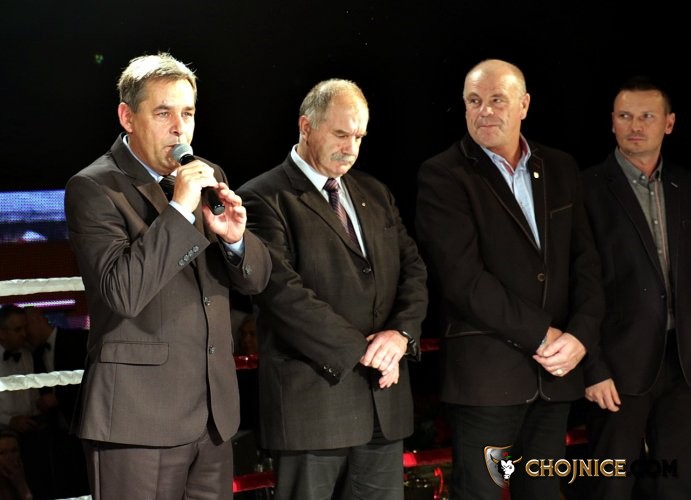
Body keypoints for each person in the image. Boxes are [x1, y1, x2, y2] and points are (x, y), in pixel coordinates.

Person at [63, 52, 271, 500]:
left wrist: (236, 240)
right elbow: (123, 292)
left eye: (188, 113)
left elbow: (254, 282)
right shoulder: (95, 187)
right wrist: (179, 209)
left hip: (212, 418)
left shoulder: (207, 175)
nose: (180, 128)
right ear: (128, 117)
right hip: (137, 420)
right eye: (163, 113)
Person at [415, 59, 605, 499]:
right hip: (486, 382)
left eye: (497, 100)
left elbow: (586, 264)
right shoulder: (442, 174)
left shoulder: (560, 167)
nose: (484, 111)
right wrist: (542, 334)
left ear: (524, 105)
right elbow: (463, 280)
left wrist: (581, 336)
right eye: (474, 101)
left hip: (555, 379)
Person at [237, 79, 428, 500]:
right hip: (313, 412)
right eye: (341, 134)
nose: (351, 148)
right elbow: (281, 294)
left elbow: (413, 271)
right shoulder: (261, 197)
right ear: (306, 127)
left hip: (383, 408)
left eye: (359, 136)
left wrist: (401, 335)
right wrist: (369, 352)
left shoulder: (376, 192)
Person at [581, 77, 691, 499]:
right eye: (625, 116)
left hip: (682, 366)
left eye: (647, 116)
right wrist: (593, 368)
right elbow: (576, 286)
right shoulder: (586, 188)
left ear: (669, 123)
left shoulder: (685, 187)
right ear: (612, 122)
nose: (636, 126)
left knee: (674, 486)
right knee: (610, 487)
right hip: (616, 368)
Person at [22, 306, 90, 498]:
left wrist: (59, 397)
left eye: (25, 327)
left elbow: (93, 380)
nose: (24, 334)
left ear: (36, 320)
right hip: (57, 436)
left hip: (84, 427)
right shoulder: (32, 354)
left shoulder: (78, 339)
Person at [0, 430, 32, 500]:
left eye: (14, 451)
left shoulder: (24, 475)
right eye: (2, 453)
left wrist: (21, 484)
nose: (10, 457)